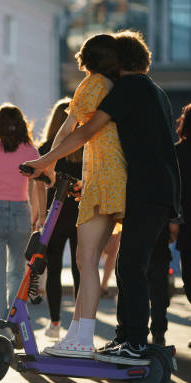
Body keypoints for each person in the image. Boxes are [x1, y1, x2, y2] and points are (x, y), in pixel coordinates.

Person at [25, 31, 180, 364]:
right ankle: (123, 337)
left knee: (127, 265)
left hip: (143, 188)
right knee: (127, 265)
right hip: (151, 188)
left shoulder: (126, 88)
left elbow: (82, 130)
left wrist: (44, 162)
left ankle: (131, 342)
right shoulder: (154, 91)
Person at [25, 34, 126, 357]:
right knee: (87, 260)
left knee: (86, 260)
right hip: (115, 177)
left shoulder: (93, 83)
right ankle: (77, 334)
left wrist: (46, 164)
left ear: (88, 59)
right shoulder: (116, 86)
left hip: (102, 177)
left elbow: (70, 128)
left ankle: (82, 337)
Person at [0, 103, 45, 335]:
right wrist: (40, 215)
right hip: (21, 213)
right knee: (17, 273)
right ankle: (13, 328)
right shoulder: (31, 151)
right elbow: (39, 184)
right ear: (22, 125)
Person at [37, 98, 83, 339]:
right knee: (80, 270)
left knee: (53, 270)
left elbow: (38, 185)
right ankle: (77, 325)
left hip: (55, 214)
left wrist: (39, 216)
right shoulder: (85, 147)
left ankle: (54, 323)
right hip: (80, 213)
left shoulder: (46, 148)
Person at [173, 103, 191, 348]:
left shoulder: (177, 152)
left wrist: (172, 221)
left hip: (187, 223)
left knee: (189, 277)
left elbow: (173, 190)